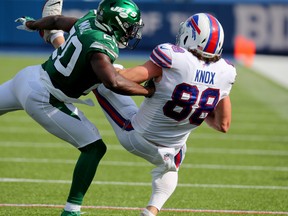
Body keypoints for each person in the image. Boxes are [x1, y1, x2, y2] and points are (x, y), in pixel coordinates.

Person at [1, 1, 153, 216]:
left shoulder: (90, 20)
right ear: (116, 23)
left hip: (28, 76)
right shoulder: (101, 46)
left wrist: (33, 24)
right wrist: (148, 91)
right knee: (94, 148)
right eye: (129, 26)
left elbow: (55, 21)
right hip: (44, 98)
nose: (131, 32)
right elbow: (113, 82)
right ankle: (71, 210)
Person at [93, 13, 237, 216]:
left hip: (137, 136)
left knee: (100, 78)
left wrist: (116, 68)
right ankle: (151, 211)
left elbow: (119, 79)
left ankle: (62, 50)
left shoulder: (173, 57)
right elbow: (223, 125)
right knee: (173, 161)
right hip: (172, 149)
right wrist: (197, 106)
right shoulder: (226, 71)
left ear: (191, 36)